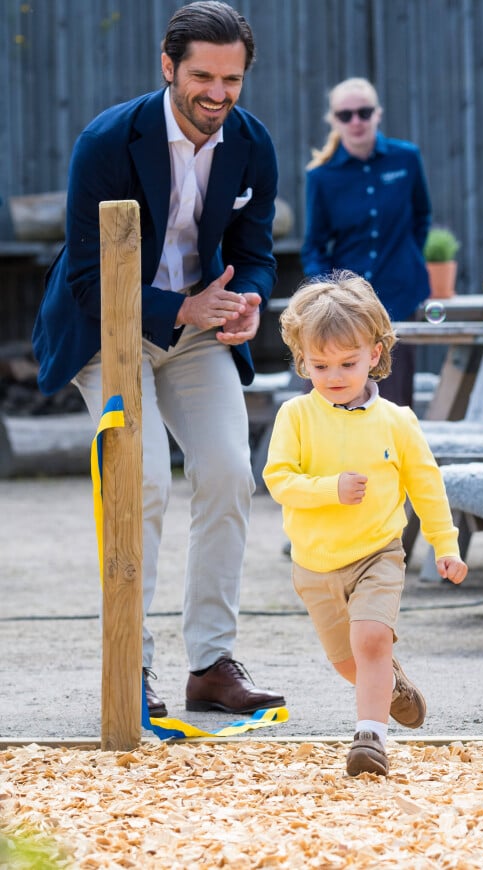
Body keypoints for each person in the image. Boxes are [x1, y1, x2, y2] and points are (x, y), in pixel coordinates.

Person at [32, 1, 285, 717]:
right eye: (202, 75)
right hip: (108, 325)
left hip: (199, 331)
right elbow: (87, 275)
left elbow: (255, 253)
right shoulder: (108, 141)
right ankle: (129, 668)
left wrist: (251, 302)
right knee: (141, 485)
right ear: (169, 66)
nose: (217, 93)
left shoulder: (253, 143)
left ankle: (209, 665)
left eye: (231, 78)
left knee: (232, 473)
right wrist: (178, 308)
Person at [263, 271, 468, 777]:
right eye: (320, 365)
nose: (334, 375)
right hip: (314, 566)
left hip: (377, 554)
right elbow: (278, 481)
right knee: (347, 662)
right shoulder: (295, 416)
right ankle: (392, 687)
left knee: (372, 640)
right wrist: (328, 488)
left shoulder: (397, 421)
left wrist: (446, 544)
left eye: (348, 363)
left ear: (374, 354)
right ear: (302, 360)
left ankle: (369, 740)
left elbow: (427, 487)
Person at [301, 78, 432, 408]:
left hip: (400, 295)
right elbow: (314, 245)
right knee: (338, 389)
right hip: (346, 304)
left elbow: (421, 217)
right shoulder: (322, 176)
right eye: (345, 115)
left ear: (378, 114)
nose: (356, 121)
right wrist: (326, 295)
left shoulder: (406, 158)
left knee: (395, 396)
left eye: (364, 112)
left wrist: (406, 259)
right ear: (333, 121)